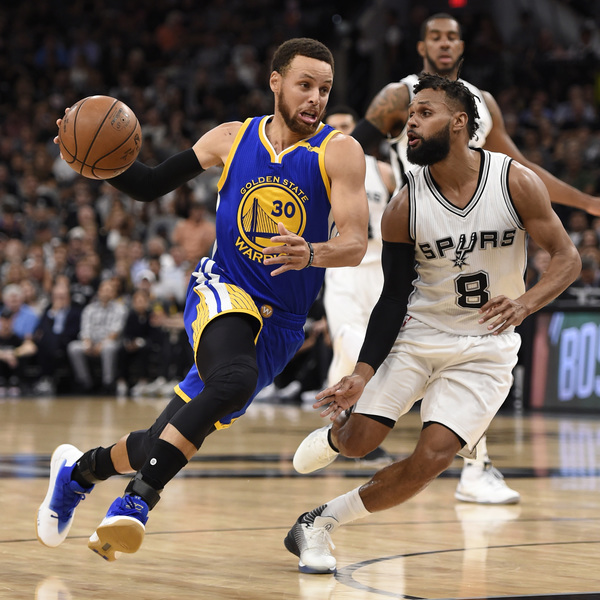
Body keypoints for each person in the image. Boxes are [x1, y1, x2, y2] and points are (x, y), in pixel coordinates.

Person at [36, 38, 368, 561]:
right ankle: (136, 503)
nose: (315, 98)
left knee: (163, 438)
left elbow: (355, 244)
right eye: (304, 85)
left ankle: (78, 473)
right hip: (224, 289)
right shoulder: (232, 138)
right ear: (276, 82)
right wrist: (91, 157)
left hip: (282, 321)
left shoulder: (339, 151)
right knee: (232, 381)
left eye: (324, 89)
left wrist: (312, 252)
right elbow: (150, 184)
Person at [295, 12, 598, 505]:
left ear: (462, 46)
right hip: (414, 226)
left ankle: (475, 467)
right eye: (434, 36)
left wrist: (586, 202)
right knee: (382, 341)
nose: (443, 44)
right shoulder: (398, 96)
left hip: (477, 226)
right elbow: (351, 149)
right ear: (421, 46)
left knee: (476, 344)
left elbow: (523, 167)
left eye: (451, 36)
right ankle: (349, 430)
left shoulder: (482, 105)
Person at [320, 105, 395, 465]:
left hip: (380, 270)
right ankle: (344, 422)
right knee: (352, 342)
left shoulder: (383, 172)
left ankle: (342, 424)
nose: (342, 132)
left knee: (372, 352)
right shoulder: (321, 169)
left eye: (347, 126)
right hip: (342, 269)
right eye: (334, 127)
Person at [66, 278, 127, 394]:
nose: (106, 293)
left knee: (108, 348)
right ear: (99, 291)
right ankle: (85, 382)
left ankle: (108, 383)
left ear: (114, 293)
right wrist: (88, 342)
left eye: (110, 290)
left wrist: (101, 345)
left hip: (110, 342)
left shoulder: (120, 309)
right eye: (104, 290)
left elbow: (116, 331)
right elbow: (85, 329)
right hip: (91, 342)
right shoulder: (89, 309)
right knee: (73, 347)